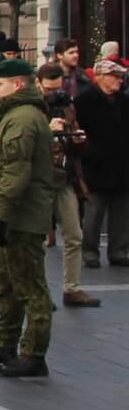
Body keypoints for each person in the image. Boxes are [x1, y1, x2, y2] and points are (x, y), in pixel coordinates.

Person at [0, 58, 57, 378]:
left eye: (0, 83)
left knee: (30, 285)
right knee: (6, 282)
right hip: (15, 214)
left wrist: (3, 215)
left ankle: (33, 353)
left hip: (23, 217)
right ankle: (5, 344)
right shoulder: (16, 114)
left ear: (18, 85)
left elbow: (15, 171)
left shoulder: (22, 119)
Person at [37, 64, 98, 307]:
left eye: (57, 88)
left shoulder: (66, 106)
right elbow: (27, 143)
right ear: (39, 83)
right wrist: (48, 130)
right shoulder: (31, 108)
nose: (54, 94)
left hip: (64, 177)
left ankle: (72, 288)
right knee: (40, 240)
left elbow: (74, 147)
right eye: (49, 89)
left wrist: (78, 139)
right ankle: (39, 292)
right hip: (40, 178)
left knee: (74, 234)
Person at [74, 57, 128, 268]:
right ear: (101, 77)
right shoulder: (85, 101)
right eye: (115, 76)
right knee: (94, 212)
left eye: (120, 77)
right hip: (96, 165)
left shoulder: (124, 101)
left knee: (122, 213)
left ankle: (119, 251)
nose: (119, 80)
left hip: (122, 164)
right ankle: (90, 252)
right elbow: (78, 131)